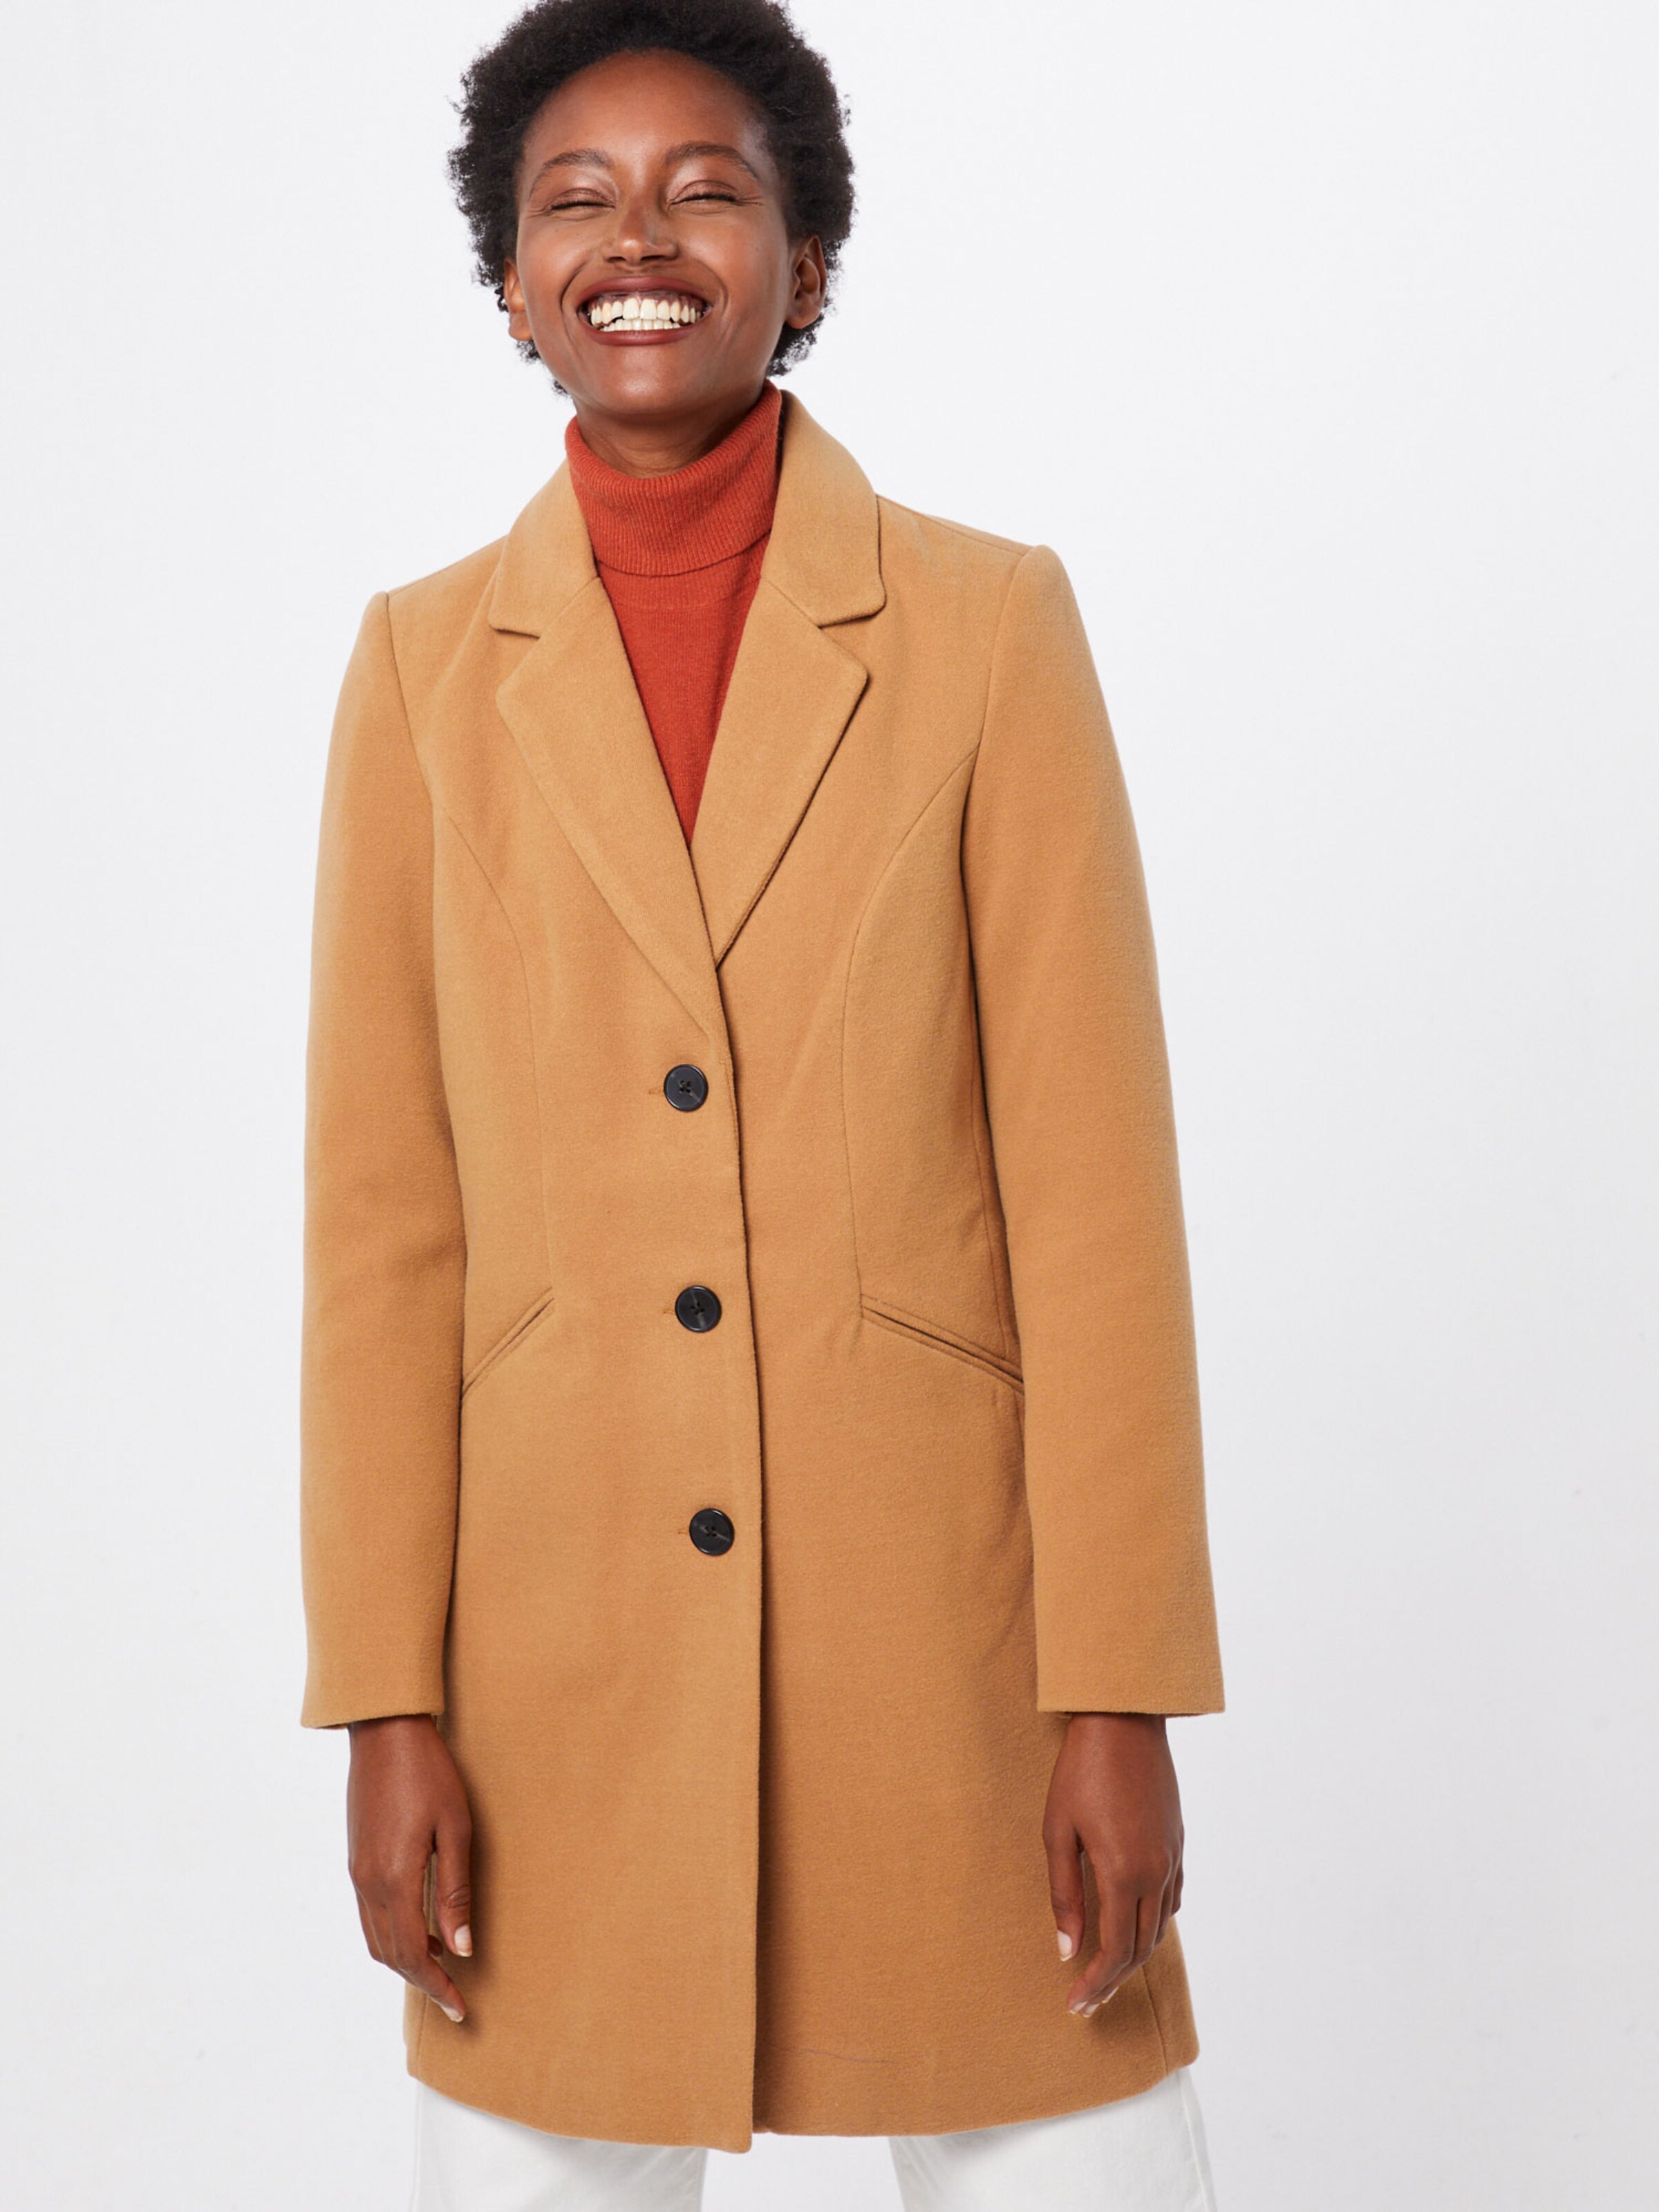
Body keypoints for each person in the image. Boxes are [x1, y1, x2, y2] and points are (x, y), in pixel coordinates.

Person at [299, 2, 1226, 2204]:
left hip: (948, 1632)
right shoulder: (420, 670)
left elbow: (1094, 1194)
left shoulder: (990, 626)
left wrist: (1120, 1689)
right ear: (510, 278)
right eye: (577, 201)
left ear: (806, 261)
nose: (640, 240)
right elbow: (381, 1229)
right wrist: (383, 1702)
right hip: (556, 1659)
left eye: (706, 191)